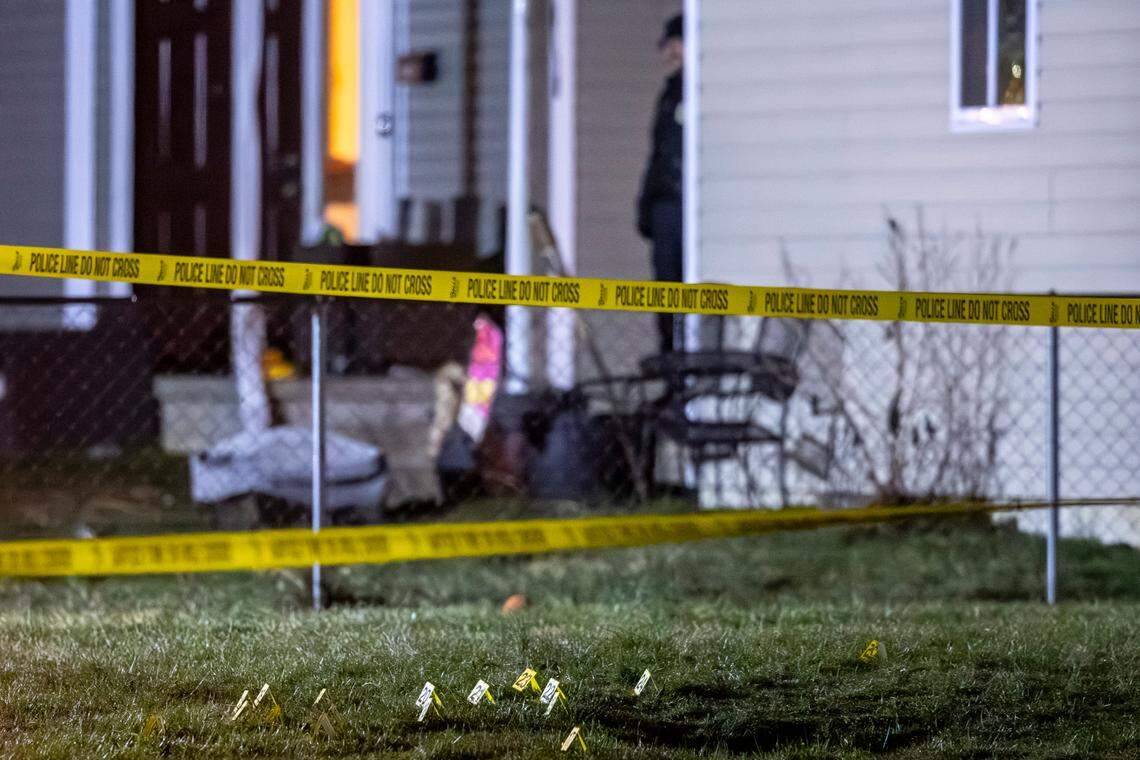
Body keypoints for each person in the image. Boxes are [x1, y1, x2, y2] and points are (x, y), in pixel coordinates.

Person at [636, 13, 684, 353]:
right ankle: (672, 370)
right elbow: (659, 156)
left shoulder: (692, 93)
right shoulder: (671, 94)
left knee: (681, 292)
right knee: (665, 294)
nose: (668, 52)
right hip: (666, 204)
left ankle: (682, 369)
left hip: (680, 206)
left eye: (672, 44)